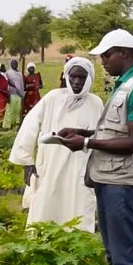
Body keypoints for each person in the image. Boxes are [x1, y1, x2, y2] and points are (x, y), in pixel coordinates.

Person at [56, 29, 133, 265]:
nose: (102, 61)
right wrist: (82, 133)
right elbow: (116, 132)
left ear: (125, 53)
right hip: (108, 181)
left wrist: (86, 144)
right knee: (115, 255)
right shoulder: (122, 86)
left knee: (126, 258)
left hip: (122, 184)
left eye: (107, 55)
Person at [8, 57, 102, 232]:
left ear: (89, 79)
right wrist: (27, 162)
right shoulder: (52, 98)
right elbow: (29, 126)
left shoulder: (95, 103)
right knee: (45, 209)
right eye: (73, 76)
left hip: (79, 169)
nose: (76, 81)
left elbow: (100, 136)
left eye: (82, 77)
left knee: (78, 211)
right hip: (49, 166)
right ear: (66, 76)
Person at [4, 59, 25, 129]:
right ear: (10, 64)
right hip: (11, 93)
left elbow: (21, 84)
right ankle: (7, 126)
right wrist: (7, 95)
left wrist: (22, 94)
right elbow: (6, 83)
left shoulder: (19, 73)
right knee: (10, 110)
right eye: (13, 63)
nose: (14, 65)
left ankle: (15, 125)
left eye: (15, 63)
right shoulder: (8, 73)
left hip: (19, 95)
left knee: (17, 110)